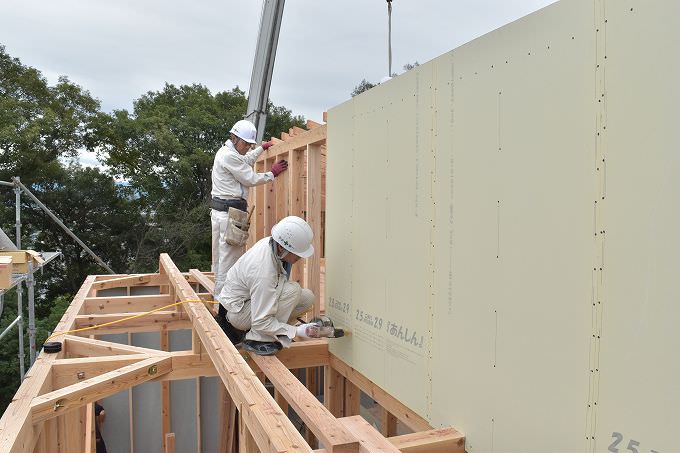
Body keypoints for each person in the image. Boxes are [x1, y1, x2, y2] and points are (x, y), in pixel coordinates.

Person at [215, 216, 322, 355]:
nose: (299, 258)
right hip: (238, 313)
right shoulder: (263, 271)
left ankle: (275, 330)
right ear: (282, 247)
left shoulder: (272, 245)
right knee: (293, 290)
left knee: (307, 297)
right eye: (297, 254)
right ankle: (257, 338)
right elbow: (261, 321)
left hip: (249, 302)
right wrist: (297, 331)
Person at [211, 119, 288, 296]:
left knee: (220, 259)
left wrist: (261, 148)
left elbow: (244, 161)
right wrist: (272, 173)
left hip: (223, 212)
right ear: (235, 138)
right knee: (229, 262)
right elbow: (249, 178)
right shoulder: (228, 156)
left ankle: (218, 298)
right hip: (230, 216)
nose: (248, 148)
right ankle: (223, 305)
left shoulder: (229, 152)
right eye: (246, 144)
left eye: (250, 145)